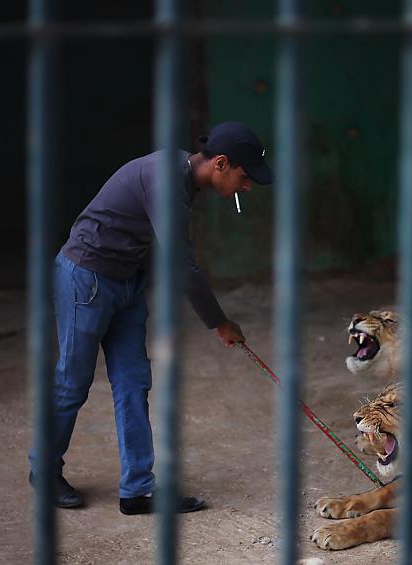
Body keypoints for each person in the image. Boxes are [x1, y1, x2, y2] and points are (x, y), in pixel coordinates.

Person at [28, 122, 274, 515]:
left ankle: (138, 490)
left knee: (133, 382)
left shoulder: (183, 179)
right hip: (85, 279)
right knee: (73, 382)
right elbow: (183, 268)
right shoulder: (165, 180)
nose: (247, 187)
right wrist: (220, 323)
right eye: (245, 178)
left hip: (126, 281)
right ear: (222, 163)